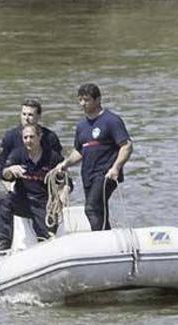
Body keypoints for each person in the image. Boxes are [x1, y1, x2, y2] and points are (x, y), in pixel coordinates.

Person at [54, 83, 133, 231]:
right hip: (88, 174)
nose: (82, 103)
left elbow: (126, 146)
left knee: (91, 208)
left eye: (86, 100)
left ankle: (101, 239)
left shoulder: (111, 120)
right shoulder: (82, 125)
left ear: (98, 100)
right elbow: (79, 152)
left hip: (106, 174)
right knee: (99, 210)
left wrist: (116, 168)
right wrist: (65, 163)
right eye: (80, 100)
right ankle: (108, 241)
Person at [0, 97, 62, 250]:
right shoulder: (11, 139)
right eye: (24, 114)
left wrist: (58, 197)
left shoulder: (51, 139)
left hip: (43, 194)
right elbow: (2, 171)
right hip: (21, 191)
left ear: (38, 117)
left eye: (30, 115)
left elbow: (60, 173)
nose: (27, 118)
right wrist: (9, 182)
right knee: (5, 199)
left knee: (47, 236)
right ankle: (1, 245)